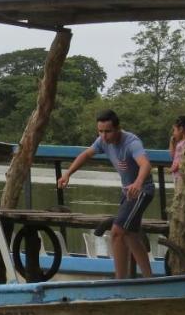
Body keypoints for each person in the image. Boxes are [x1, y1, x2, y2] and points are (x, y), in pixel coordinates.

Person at [56, 110, 154, 279]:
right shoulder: (102, 141)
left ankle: (119, 280)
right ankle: (149, 278)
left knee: (117, 231)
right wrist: (67, 174)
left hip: (142, 190)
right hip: (127, 192)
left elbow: (145, 164)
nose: (104, 136)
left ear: (117, 129)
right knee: (130, 235)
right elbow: (86, 154)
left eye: (107, 131)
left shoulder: (131, 142)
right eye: (100, 131)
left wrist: (137, 183)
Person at [169, 115, 185, 189]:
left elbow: (184, 158)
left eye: (174, 130)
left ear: (181, 129)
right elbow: (173, 156)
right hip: (176, 176)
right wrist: (172, 143)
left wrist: (175, 167)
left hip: (181, 176)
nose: (173, 133)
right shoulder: (179, 143)